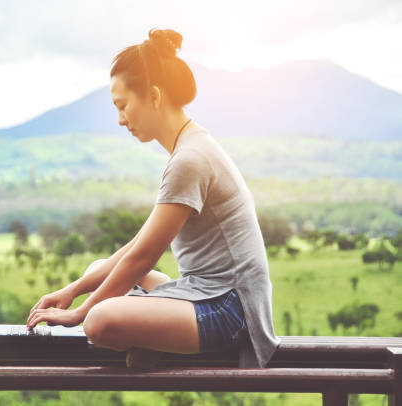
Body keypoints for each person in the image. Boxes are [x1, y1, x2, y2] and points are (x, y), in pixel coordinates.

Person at [27, 28, 280, 369]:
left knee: (100, 321)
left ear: (154, 96)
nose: (120, 120)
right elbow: (137, 246)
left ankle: (150, 339)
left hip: (230, 310)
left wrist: (79, 313)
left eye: (123, 105)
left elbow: (143, 258)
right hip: (201, 292)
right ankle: (154, 340)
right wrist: (73, 289)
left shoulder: (190, 160)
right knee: (97, 270)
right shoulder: (189, 148)